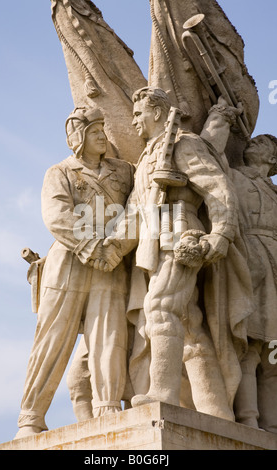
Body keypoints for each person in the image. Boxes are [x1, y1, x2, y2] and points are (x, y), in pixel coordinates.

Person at [103, 86, 245, 420]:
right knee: (190, 325)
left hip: (180, 234)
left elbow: (217, 188)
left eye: (139, 113)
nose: (135, 120)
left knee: (160, 307)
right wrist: (106, 249)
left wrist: (221, 235)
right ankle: (216, 408)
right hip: (153, 240)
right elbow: (136, 212)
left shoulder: (183, 143)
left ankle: (162, 394)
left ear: (156, 111)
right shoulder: (146, 157)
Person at [15, 107, 134, 438]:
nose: (101, 135)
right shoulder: (60, 172)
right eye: (94, 130)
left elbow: (139, 209)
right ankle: (30, 418)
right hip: (68, 261)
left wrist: (117, 247)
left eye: (102, 129)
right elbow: (56, 215)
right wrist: (92, 247)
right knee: (52, 338)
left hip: (112, 262)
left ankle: (107, 408)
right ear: (78, 138)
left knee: (110, 334)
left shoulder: (125, 172)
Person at [230, 135, 277, 432]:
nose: (252, 145)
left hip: (274, 263)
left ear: (272, 160)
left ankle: (272, 425)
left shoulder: (275, 192)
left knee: (273, 354)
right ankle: (248, 417)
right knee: (248, 343)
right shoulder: (233, 176)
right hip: (247, 257)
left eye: (261, 144)